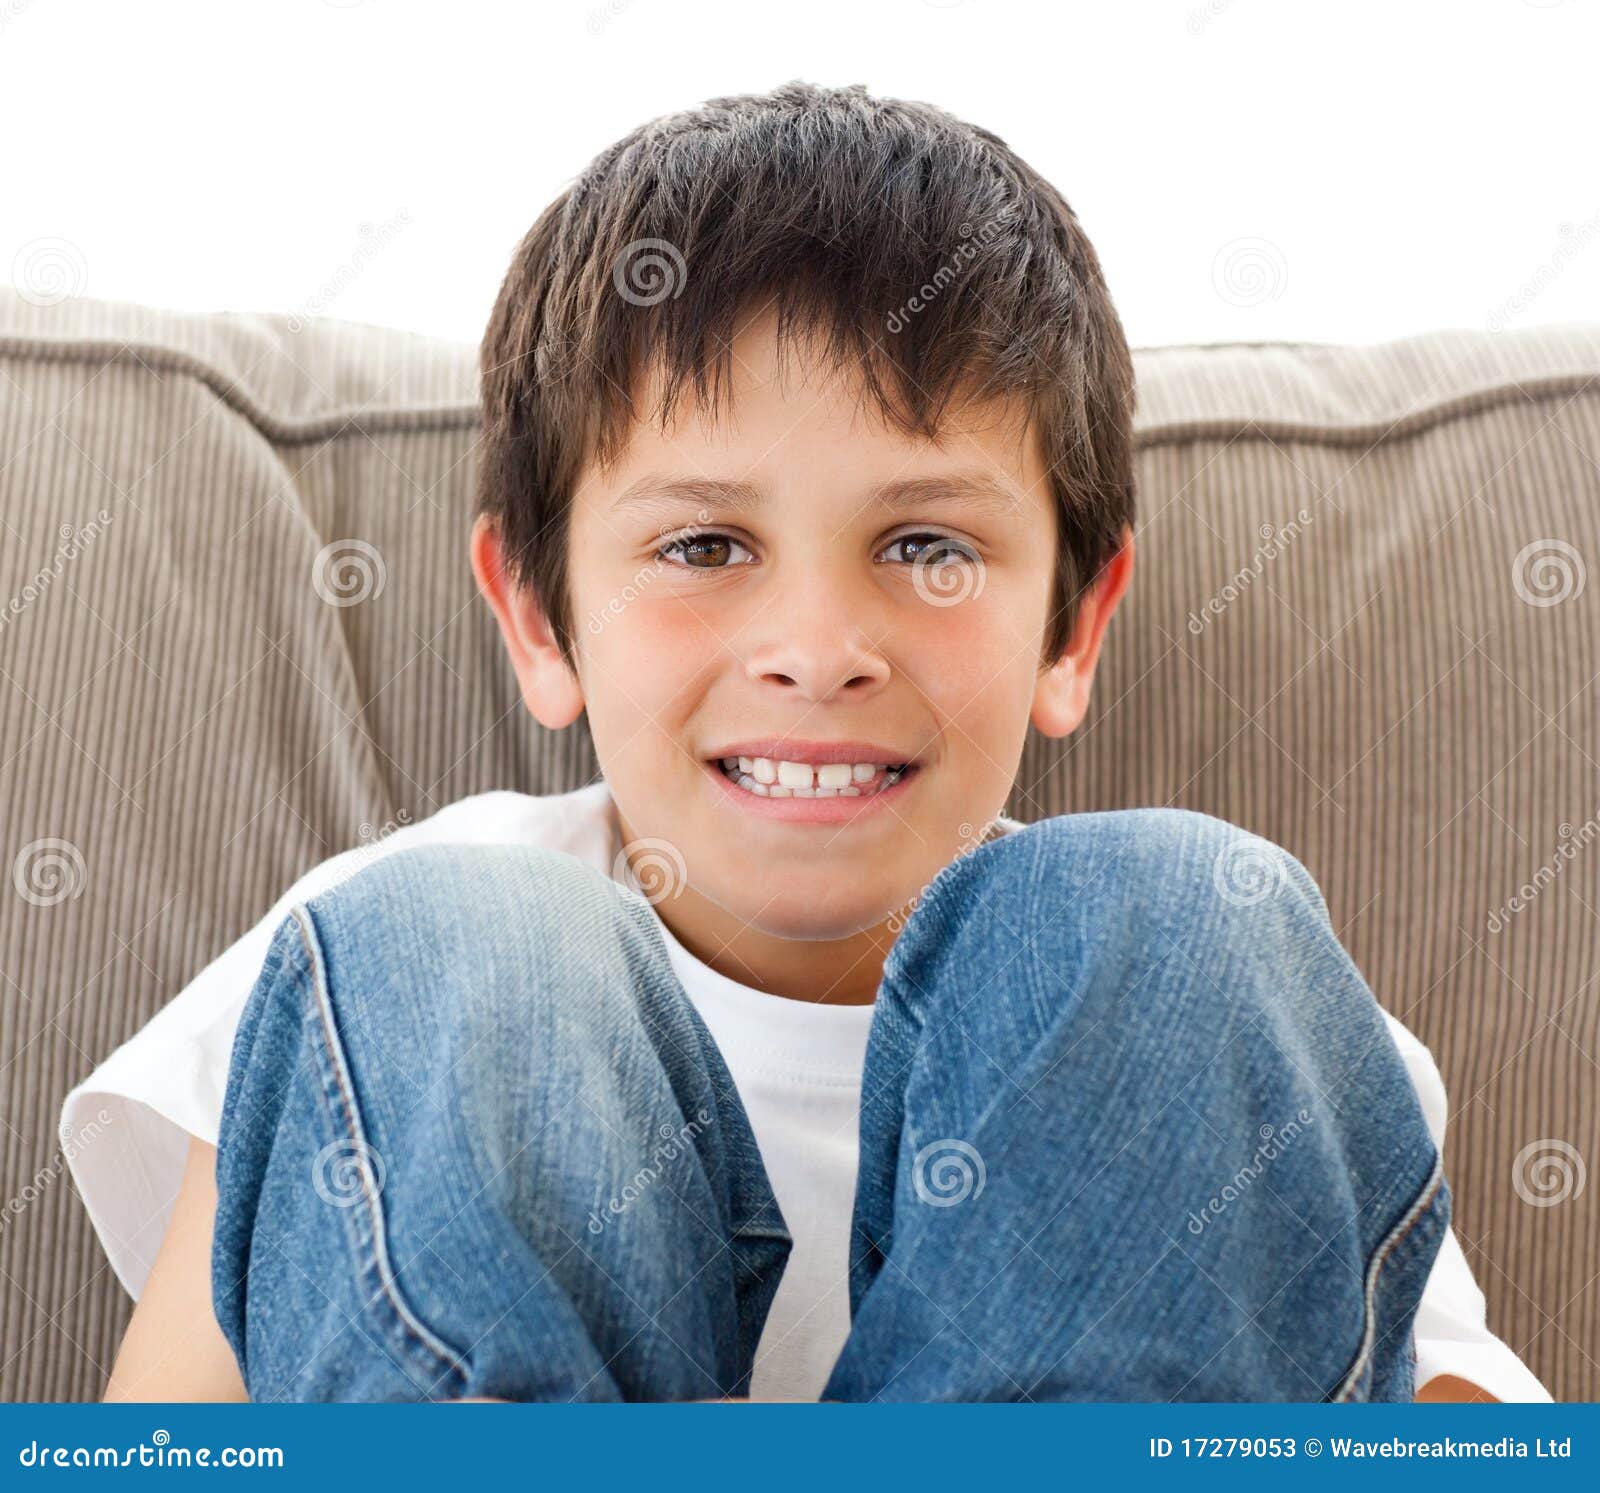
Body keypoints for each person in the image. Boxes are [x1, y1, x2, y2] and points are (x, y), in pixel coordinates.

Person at [63, 81, 1548, 1404]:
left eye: (925, 542)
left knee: (1176, 922)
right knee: (442, 937)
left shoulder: (1202, 1003)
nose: (820, 645)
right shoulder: (402, 974)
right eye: (706, 542)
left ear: (1076, 628)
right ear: (535, 612)